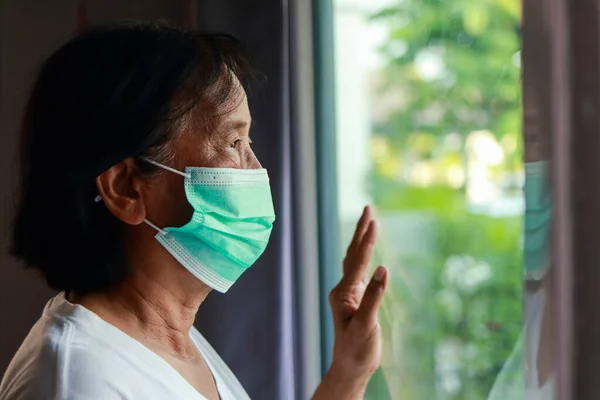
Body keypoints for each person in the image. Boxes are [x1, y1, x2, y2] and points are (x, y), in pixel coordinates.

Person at [0, 22, 388, 400]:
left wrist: (349, 372)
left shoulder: (169, 341)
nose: (256, 170)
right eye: (234, 143)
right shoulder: (78, 384)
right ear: (125, 189)